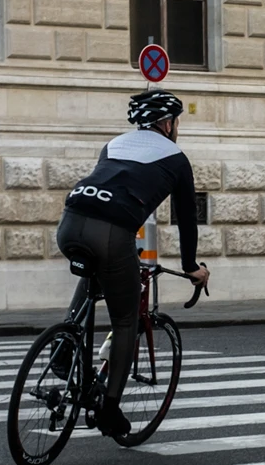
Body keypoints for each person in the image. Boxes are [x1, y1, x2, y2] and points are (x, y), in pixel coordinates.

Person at [55, 90, 211, 439]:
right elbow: (186, 219)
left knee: (97, 272)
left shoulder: (113, 145)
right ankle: (109, 410)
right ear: (167, 124)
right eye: (177, 122)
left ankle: (63, 350)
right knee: (125, 321)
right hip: (110, 233)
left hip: (69, 222)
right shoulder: (176, 158)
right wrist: (190, 267)